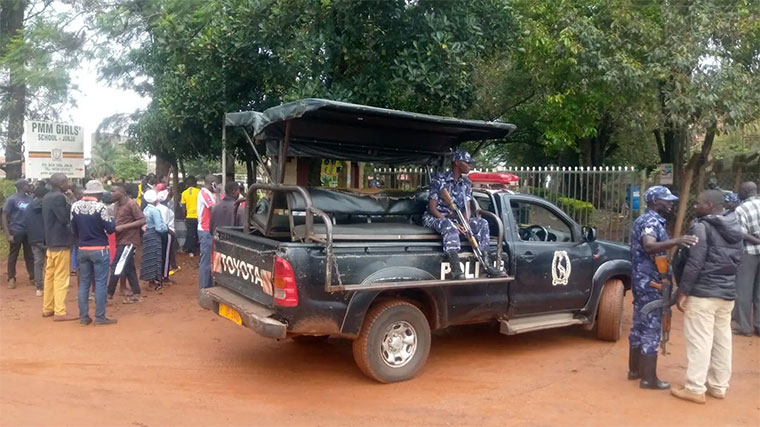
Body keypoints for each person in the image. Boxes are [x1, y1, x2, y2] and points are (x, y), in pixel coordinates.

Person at [670, 190, 744, 403]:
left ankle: (694, 388)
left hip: (703, 293)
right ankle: (719, 386)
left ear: (710, 206)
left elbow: (695, 263)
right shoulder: (735, 226)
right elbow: (737, 261)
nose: (696, 206)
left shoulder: (702, 227)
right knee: (722, 340)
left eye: (699, 203)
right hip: (726, 293)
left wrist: (682, 292)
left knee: (700, 340)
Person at [627, 186, 699, 390]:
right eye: (666, 200)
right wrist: (678, 241)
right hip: (650, 281)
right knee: (651, 326)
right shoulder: (651, 221)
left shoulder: (645, 219)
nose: (670, 203)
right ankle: (648, 379)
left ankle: (635, 370)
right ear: (655, 202)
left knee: (639, 323)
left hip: (643, 281)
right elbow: (649, 245)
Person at [422, 149, 504, 279]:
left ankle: (487, 265)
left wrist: (464, 223)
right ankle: (456, 270)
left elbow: (467, 207)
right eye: (467, 163)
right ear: (456, 163)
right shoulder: (439, 180)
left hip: (457, 218)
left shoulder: (466, 184)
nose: (470, 166)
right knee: (449, 225)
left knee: (482, 223)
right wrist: (454, 224)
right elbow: (433, 208)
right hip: (435, 217)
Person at [71, 180, 117, 326]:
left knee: (84, 283)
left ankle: (84, 317)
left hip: (82, 249)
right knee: (100, 283)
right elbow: (110, 229)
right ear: (98, 193)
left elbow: (73, 228)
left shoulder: (75, 206)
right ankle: (100, 317)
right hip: (100, 249)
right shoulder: (101, 207)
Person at [41, 173, 77, 321]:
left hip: (50, 241)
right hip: (61, 241)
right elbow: (63, 218)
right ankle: (60, 311)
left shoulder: (47, 197)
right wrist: (70, 201)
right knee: (61, 277)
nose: (68, 184)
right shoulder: (60, 197)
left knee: (50, 275)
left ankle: (47, 308)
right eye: (66, 181)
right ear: (61, 183)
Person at [107, 183, 146, 304]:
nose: (111, 194)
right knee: (129, 267)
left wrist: (123, 227)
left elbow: (142, 220)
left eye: (114, 191)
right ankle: (136, 293)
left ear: (122, 192)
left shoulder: (131, 204)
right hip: (120, 240)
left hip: (129, 241)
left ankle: (109, 294)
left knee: (116, 266)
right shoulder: (116, 205)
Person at [733, 181, 760, 336]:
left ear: (744, 191)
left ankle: (744, 326)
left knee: (743, 290)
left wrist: (757, 240)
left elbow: (741, 234)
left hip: (749, 252)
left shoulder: (741, 209)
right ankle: (758, 325)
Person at [3, 179, 34, 289]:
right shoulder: (12, 199)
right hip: (16, 230)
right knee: (13, 255)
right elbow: (4, 216)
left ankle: (32, 276)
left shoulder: (30, 199)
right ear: (21, 186)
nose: (29, 186)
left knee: (29, 255)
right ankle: (11, 278)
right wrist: (8, 234)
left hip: (28, 231)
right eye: (27, 185)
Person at [140, 190, 168, 291]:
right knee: (156, 257)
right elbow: (159, 228)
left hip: (147, 234)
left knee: (148, 258)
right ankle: (156, 281)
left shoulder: (145, 210)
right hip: (155, 235)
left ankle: (150, 280)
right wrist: (166, 227)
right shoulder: (155, 211)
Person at [26, 185, 48, 297]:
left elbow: (27, 222)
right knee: (50, 263)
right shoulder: (48, 206)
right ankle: (50, 286)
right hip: (47, 238)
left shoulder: (29, 206)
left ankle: (39, 287)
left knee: (38, 262)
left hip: (34, 239)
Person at [197, 174, 217, 289]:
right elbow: (213, 208)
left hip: (208, 229)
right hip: (205, 229)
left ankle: (208, 285)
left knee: (210, 259)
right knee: (205, 260)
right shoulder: (204, 193)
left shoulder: (208, 193)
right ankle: (203, 287)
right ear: (212, 183)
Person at [157, 189, 178, 277]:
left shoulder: (157, 208)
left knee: (163, 253)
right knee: (166, 254)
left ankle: (162, 273)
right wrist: (172, 233)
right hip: (167, 233)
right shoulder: (165, 209)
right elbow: (164, 225)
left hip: (161, 233)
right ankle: (165, 277)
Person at [181, 176, 200, 256]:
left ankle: (190, 250)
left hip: (189, 216)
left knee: (190, 233)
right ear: (195, 183)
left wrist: (184, 217)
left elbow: (183, 207)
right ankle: (196, 249)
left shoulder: (184, 193)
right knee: (197, 233)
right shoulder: (199, 192)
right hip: (198, 216)